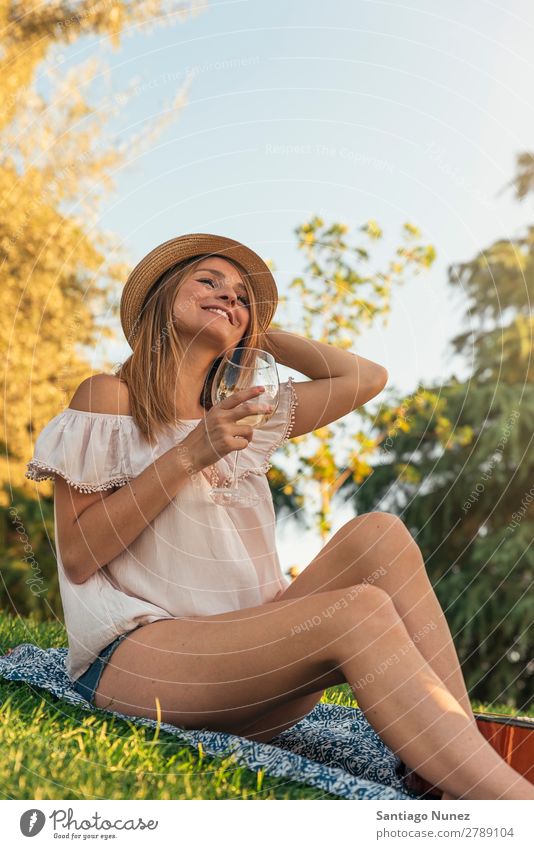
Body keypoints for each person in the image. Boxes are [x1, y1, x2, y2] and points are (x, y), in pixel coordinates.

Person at [26, 233, 534, 801]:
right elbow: (76, 556)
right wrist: (192, 453)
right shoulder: (107, 397)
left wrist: (257, 333)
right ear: (164, 296)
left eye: (243, 297)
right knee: (359, 611)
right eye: (209, 282)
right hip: (138, 666)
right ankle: (510, 807)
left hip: (253, 665)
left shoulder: (247, 416)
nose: (229, 297)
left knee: (380, 536)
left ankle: (451, 760)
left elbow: (365, 379)